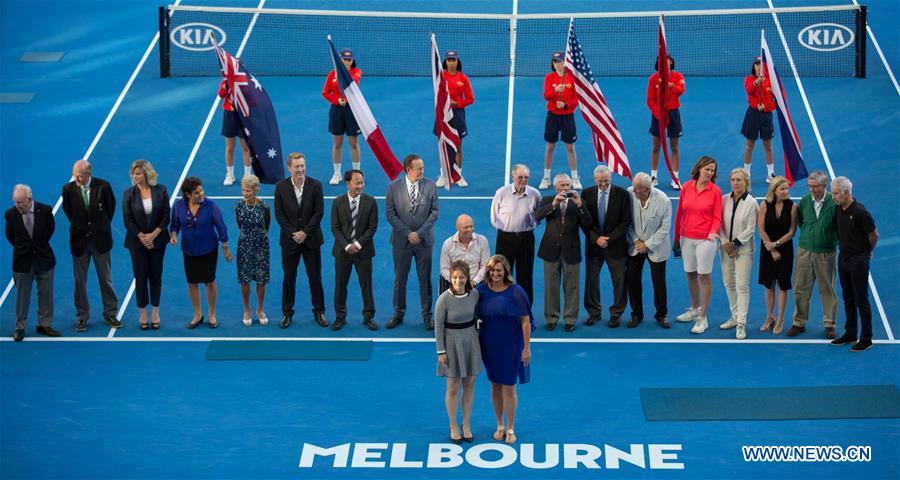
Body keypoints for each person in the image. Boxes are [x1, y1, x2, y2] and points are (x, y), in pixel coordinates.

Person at [476, 255, 534, 445]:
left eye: (499, 270)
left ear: (506, 271)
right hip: (489, 344)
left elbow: (525, 322)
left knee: (509, 387)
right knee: (494, 385)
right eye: (492, 270)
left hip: (511, 345)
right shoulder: (481, 290)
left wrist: (526, 348)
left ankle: (510, 427)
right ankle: (499, 425)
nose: (495, 273)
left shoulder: (516, 292)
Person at [61, 159, 120, 332]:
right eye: (74, 175)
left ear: (89, 174)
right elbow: (68, 211)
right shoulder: (68, 189)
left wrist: (98, 227)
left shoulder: (103, 186)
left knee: (105, 279)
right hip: (79, 241)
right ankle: (82, 316)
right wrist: (83, 227)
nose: (76, 178)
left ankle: (109, 313)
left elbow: (110, 208)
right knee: (79, 282)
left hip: (101, 241)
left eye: (79, 176)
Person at [169, 177, 232, 329]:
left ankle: (211, 313)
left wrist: (225, 248)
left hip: (208, 250)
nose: (201, 194)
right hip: (189, 250)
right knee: (192, 283)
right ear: (188, 194)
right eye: (196, 192)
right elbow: (174, 225)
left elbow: (221, 227)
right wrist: (174, 236)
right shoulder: (179, 206)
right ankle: (198, 313)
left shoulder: (210, 206)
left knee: (209, 282)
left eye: (201, 190)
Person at [385, 154, 440, 330]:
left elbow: (434, 213)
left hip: (424, 242)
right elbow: (391, 214)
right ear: (408, 170)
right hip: (402, 243)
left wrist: (419, 234)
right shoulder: (393, 187)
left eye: (423, 168)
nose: (422, 171)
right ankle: (398, 313)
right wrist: (409, 233)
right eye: (419, 168)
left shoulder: (431, 186)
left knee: (425, 280)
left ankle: (427, 316)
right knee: (400, 280)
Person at [274, 153, 327, 329]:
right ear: (289, 168)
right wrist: (294, 234)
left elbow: (319, 212)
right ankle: (287, 313)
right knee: (289, 277)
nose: (300, 170)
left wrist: (304, 232)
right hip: (290, 241)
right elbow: (279, 215)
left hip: (311, 240)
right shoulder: (280, 187)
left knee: (315, 277)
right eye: (297, 167)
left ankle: (319, 311)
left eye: (302, 166)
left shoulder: (316, 185)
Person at [672, 156, 722, 334]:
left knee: (704, 276)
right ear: (699, 168)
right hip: (686, 238)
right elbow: (680, 213)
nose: (709, 173)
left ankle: (703, 317)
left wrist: (713, 232)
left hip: (706, 240)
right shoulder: (686, 187)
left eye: (712, 170)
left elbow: (717, 217)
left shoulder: (715, 191)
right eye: (707, 169)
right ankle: (694, 309)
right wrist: (676, 238)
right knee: (690, 274)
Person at [535, 173, 590, 332]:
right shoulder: (547, 200)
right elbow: (537, 216)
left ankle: (570, 319)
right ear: (555, 188)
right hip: (550, 249)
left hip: (571, 250)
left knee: (572, 286)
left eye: (568, 185)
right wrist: (553, 204)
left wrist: (580, 206)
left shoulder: (578, 202)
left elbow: (588, 223)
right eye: (562, 186)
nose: (566, 188)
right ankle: (551, 318)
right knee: (551, 286)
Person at [435, 261, 482, 443]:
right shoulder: (444, 299)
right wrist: (441, 351)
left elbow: (478, 316)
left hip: (470, 342)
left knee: (469, 385)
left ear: (467, 278)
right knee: (453, 387)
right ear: (450, 278)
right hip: (451, 344)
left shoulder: (475, 295)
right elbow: (438, 326)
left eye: (461, 277)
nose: (458, 281)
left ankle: (466, 424)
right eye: (454, 277)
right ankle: (453, 425)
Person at [830, 176, 878, 352]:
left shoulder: (860, 212)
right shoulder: (838, 208)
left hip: (858, 261)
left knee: (861, 299)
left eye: (836, 193)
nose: (833, 197)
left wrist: (867, 252)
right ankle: (850, 332)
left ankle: (866, 338)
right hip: (843, 258)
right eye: (832, 193)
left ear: (847, 193)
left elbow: (874, 235)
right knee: (848, 297)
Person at [788, 171, 838, 338]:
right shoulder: (804, 202)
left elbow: (839, 227)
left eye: (815, 186)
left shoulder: (834, 203)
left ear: (824, 186)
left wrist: (828, 240)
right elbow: (802, 223)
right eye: (810, 186)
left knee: (827, 289)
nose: (812, 189)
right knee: (800, 288)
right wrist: (811, 237)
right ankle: (799, 322)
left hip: (826, 253)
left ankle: (829, 324)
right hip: (805, 251)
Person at [5, 185, 59, 341]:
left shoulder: (45, 211)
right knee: (22, 296)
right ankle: (20, 327)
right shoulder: (10, 215)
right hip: (23, 261)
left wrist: (37, 246)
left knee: (46, 293)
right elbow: (11, 237)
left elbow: (50, 230)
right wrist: (25, 249)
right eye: (15, 202)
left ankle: (44, 324)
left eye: (20, 202)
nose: (17, 206)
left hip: (44, 258)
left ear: (29, 199)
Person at [122, 160, 170, 330]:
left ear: (147, 174)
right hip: (137, 242)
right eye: (133, 174)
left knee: (156, 276)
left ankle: (155, 311)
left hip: (158, 240)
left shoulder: (161, 190)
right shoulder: (128, 194)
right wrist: (143, 237)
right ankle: (143, 312)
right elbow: (128, 220)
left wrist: (153, 236)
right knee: (140, 277)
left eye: (139, 174)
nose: (135, 177)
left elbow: (166, 216)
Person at [581, 165, 631, 328]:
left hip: (615, 246)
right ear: (595, 180)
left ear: (611, 179)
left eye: (606, 181)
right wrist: (596, 239)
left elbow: (625, 222)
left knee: (619, 282)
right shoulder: (586, 194)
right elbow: (584, 221)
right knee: (592, 281)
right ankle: (594, 313)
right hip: (594, 246)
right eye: (600, 181)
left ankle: (616, 314)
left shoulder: (623, 194)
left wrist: (608, 239)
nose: (603, 184)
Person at [331, 169, 378, 331]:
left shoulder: (371, 202)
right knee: (340, 284)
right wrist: (346, 245)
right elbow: (335, 228)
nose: (361, 186)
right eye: (357, 183)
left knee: (366, 284)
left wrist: (357, 245)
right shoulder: (337, 202)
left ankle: (369, 316)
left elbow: (372, 228)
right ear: (347, 183)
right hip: (342, 252)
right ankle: (340, 317)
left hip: (363, 251)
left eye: (362, 183)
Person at [625, 172, 671, 329]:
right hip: (635, 245)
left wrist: (648, 244)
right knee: (632, 280)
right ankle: (636, 314)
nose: (635, 191)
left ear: (648, 188)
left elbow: (664, 229)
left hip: (656, 247)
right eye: (634, 187)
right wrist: (636, 240)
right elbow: (627, 221)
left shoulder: (663, 200)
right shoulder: (629, 193)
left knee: (659, 283)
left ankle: (661, 314)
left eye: (638, 189)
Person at [490, 164, 541, 305]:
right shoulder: (501, 193)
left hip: (526, 239)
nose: (523, 180)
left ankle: (525, 307)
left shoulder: (535, 194)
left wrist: (529, 227)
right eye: (520, 177)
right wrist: (507, 231)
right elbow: (494, 217)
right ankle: (503, 304)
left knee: (525, 274)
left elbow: (539, 216)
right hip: (505, 238)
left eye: (526, 177)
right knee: (502, 273)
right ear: (513, 177)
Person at [718, 168, 758, 340]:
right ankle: (734, 317)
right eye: (733, 180)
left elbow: (751, 228)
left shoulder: (752, 203)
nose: (736, 183)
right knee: (728, 283)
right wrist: (725, 243)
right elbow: (718, 222)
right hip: (726, 248)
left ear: (746, 182)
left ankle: (741, 322)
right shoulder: (724, 199)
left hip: (743, 250)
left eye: (739, 180)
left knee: (742, 285)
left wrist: (734, 244)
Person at [757, 176, 798, 335]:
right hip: (767, 250)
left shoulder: (793, 207)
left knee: (783, 285)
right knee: (769, 285)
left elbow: (792, 232)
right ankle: (769, 317)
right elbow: (761, 229)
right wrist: (772, 249)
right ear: (773, 190)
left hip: (785, 250)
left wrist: (776, 245)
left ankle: (780, 319)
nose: (785, 192)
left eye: (787, 189)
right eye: (782, 189)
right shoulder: (765, 205)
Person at [540, 51, 581, 190]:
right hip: (552, 116)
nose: (557, 64)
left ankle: (575, 178)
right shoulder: (549, 78)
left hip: (567, 117)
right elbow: (546, 95)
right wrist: (556, 90)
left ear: (565, 62)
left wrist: (565, 105)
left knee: (570, 147)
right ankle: (546, 178)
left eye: (560, 61)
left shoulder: (571, 79)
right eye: (555, 62)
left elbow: (576, 99)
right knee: (550, 146)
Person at [322, 48, 362, 185]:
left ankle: (356, 173)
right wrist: (336, 100)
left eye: (349, 59)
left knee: (353, 144)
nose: (347, 62)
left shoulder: (356, 72)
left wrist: (340, 74)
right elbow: (325, 92)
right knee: (337, 144)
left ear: (353, 61)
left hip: (352, 111)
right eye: (344, 59)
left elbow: (352, 83)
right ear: (339, 60)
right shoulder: (332, 74)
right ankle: (337, 174)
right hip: (337, 111)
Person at [235, 175, 270, 327]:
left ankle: (260, 309)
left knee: (261, 280)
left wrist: (257, 238)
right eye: (243, 190)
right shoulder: (239, 206)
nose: (245, 193)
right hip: (244, 247)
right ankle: (247, 309)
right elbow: (239, 225)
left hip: (261, 246)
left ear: (256, 190)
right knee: (245, 280)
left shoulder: (264, 206)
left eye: (248, 190)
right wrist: (248, 238)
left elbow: (266, 226)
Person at [435, 50, 473, 188]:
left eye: (454, 60)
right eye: (449, 60)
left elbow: (470, 99)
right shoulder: (440, 77)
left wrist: (456, 103)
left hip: (457, 115)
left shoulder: (463, 79)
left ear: (458, 62)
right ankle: (444, 175)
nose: (451, 62)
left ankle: (458, 176)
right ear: (445, 62)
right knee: (443, 145)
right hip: (443, 114)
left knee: (457, 146)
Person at [647, 54, 685, 190]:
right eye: (661, 60)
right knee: (656, 146)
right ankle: (653, 176)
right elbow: (650, 100)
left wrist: (670, 86)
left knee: (674, 146)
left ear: (671, 63)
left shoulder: (678, 77)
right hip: (658, 115)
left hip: (673, 113)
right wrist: (658, 115)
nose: (664, 62)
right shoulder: (653, 79)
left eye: (667, 60)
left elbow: (681, 91)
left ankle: (675, 177)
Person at [741, 58, 776, 184]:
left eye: (761, 65)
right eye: (757, 64)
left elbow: (776, 103)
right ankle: (746, 173)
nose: (758, 67)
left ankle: (770, 174)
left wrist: (765, 107)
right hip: (753, 115)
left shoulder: (772, 82)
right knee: (749, 145)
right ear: (754, 66)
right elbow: (749, 90)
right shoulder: (748, 79)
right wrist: (757, 82)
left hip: (766, 116)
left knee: (768, 146)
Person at [439, 214, 490, 293]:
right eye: (466, 227)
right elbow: (444, 269)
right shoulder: (447, 244)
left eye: (471, 226)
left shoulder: (482, 241)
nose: (469, 230)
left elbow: (485, 266)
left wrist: (474, 282)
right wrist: (456, 282)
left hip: (477, 284)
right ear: (457, 228)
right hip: (455, 284)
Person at [218, 78, 252, 186]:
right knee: (229, 147)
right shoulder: (225, 81)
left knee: (245, 147)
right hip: (229, 114)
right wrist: (225, 85)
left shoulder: (246, 81)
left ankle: (247, 176)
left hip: (243, 115)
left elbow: (252, 99)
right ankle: (230, 174)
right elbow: (221, 95)